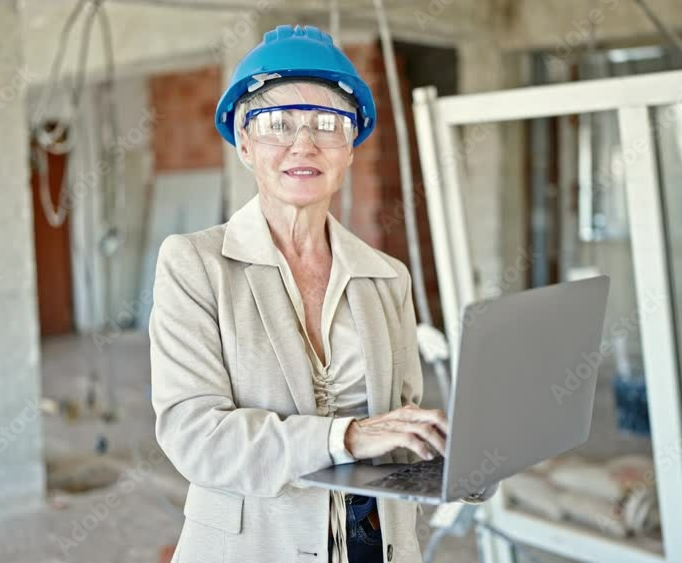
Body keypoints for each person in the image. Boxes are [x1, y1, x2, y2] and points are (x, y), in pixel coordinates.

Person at [150, 25, 491, 563]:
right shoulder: (195, 265)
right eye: (277, 123)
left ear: (350, 147)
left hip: (374, 544)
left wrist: (458, 461)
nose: (303, 144)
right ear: (244, 143)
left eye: (328, 123)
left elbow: (395, 428)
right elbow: (196, 437)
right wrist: (346, 437)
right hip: (253, 546)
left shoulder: (388, 277)